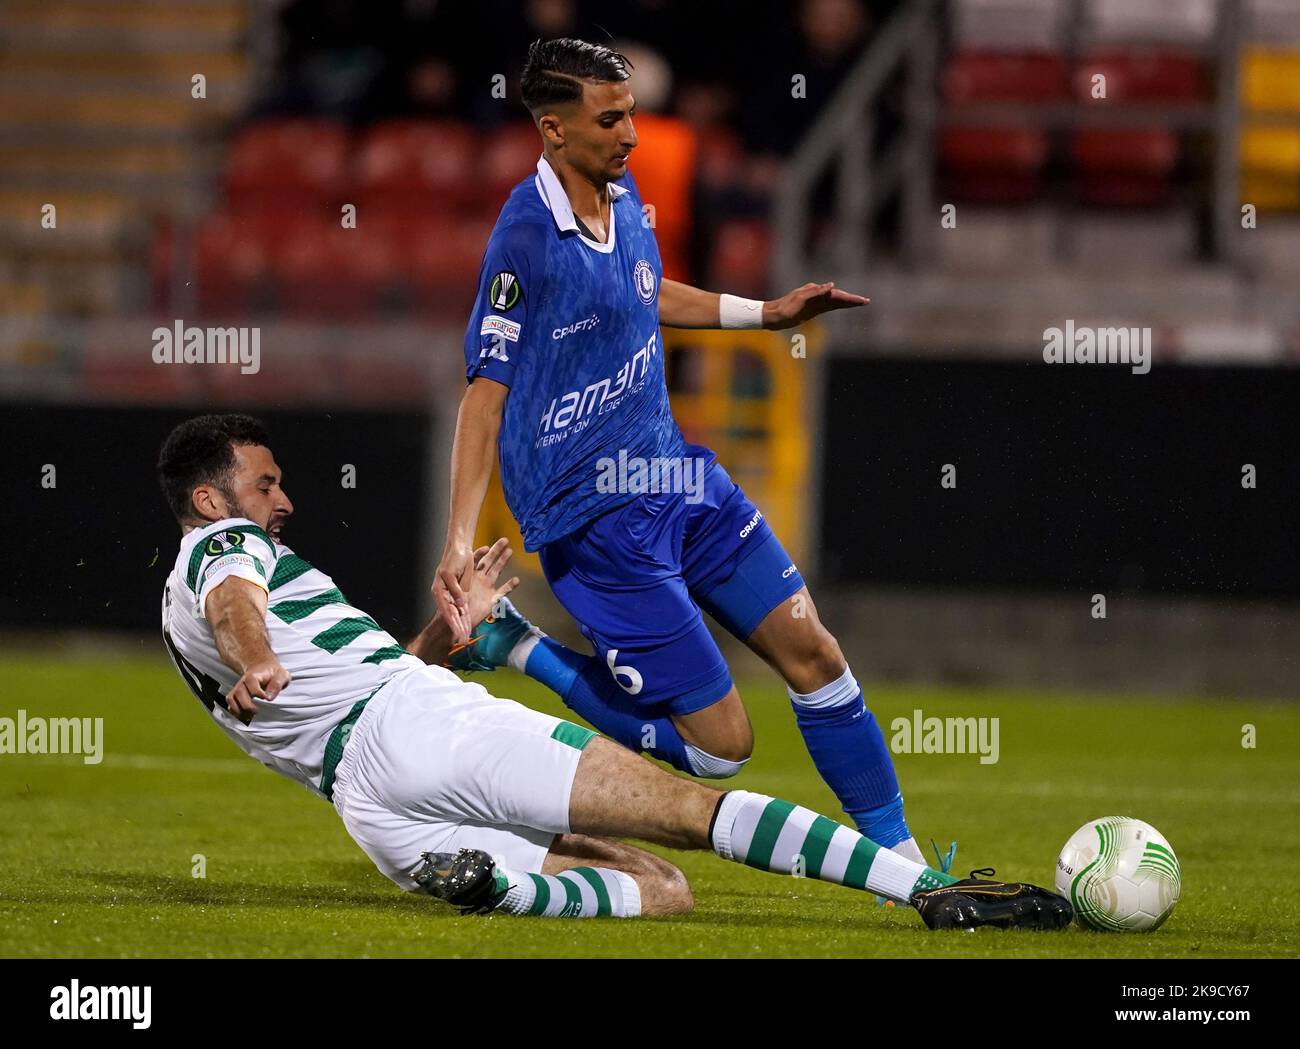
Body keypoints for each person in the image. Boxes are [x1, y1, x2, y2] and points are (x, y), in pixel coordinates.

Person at [157, 412, 1071, 928]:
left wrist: (450, 630)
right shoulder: (221, 549)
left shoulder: (181, 608)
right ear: (211, 499)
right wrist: (262, 656)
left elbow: (343, 680)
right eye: (266, 483)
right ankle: (928, 891)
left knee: (659, 893)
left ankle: (502, 888)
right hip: (425, 730)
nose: (285, 500)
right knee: (691, 811)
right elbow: (235, 607)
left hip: (369, 803)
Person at [434, 37, 932, 870]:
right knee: (719, 749)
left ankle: (911, 867)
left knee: (817, 653)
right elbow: (483, 394)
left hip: (676, 477)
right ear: (553, 131)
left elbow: (644, 291)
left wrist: (765, 314)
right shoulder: (523, 238)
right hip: (595, 526)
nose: (631, 133)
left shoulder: (624, 201)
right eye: (611, 118)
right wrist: (457, 539)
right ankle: (517, 646)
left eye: (631, 112)